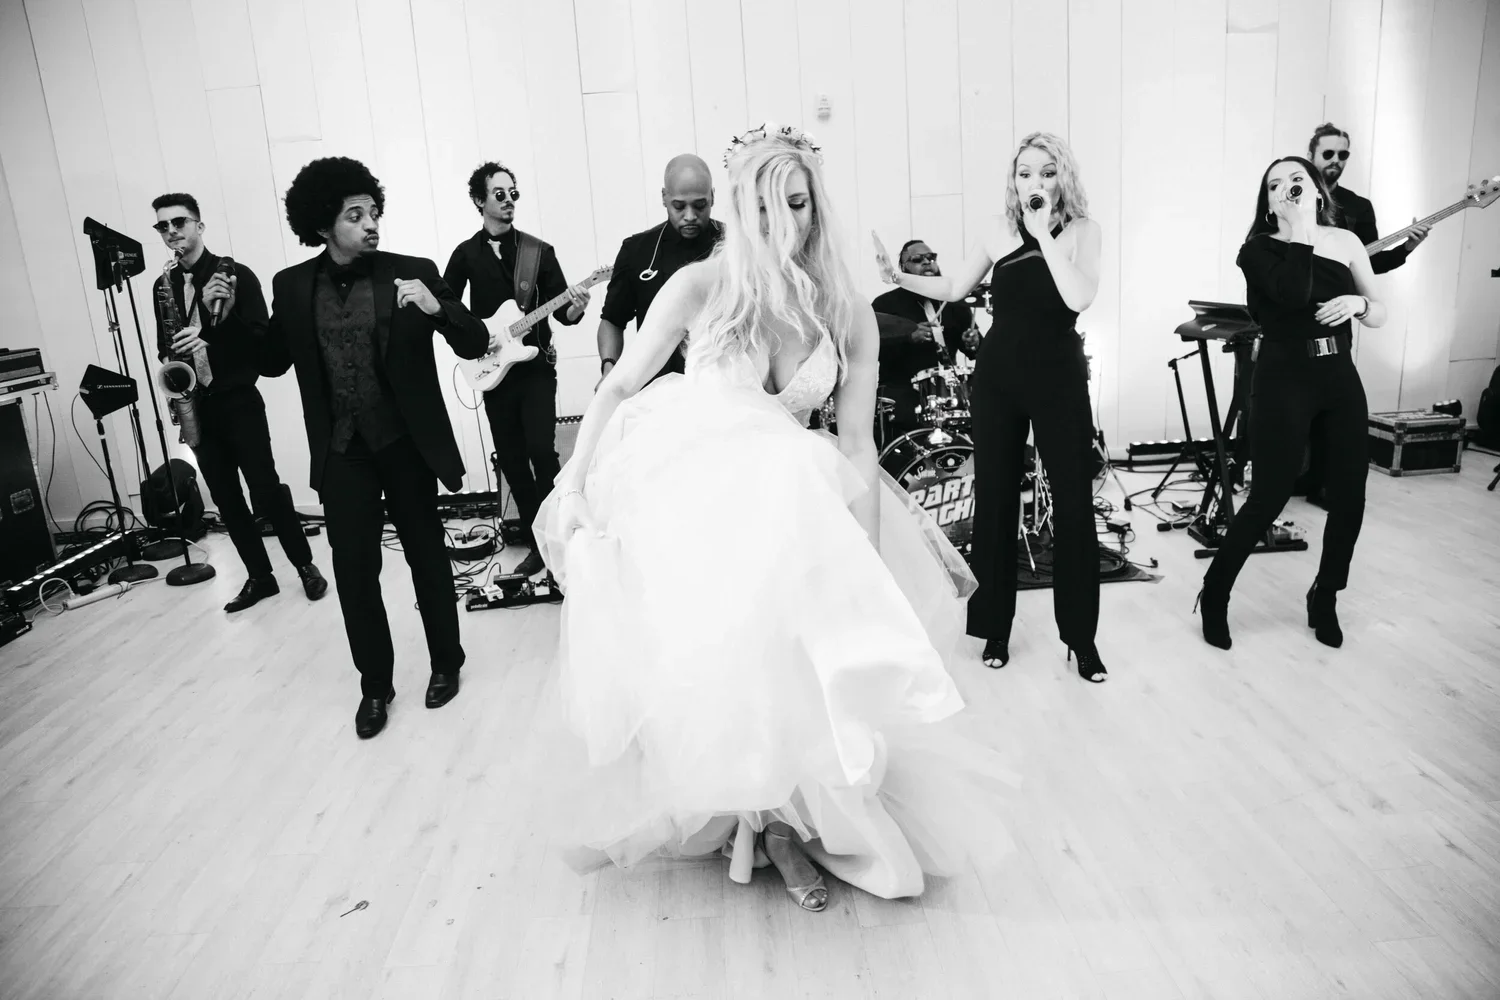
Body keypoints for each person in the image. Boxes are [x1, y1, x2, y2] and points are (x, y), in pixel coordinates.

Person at [532, 124, 1016, 910]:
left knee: (798, 666)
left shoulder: (846, 310)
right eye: (762, 207)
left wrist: (861, 549)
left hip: (794, 505)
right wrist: (575, 479)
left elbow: (856, 442)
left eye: (796, 203)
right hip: (693, 500)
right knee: (723, 668)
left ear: (816, 205)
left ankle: (785, 823)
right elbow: (618, 385)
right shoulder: (701, 285)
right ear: (739, 210)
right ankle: (749, 819)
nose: (782, 222)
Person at [259, 157, 490, 739]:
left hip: (405, 442)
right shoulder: (291, 286)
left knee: (426, 556)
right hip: (343, 452)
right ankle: (375, 684)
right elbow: (271, 361)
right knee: (355, 571)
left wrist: (439, 309)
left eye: (373, 212)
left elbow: (475, 341)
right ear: (322, 225)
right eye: (354, 215)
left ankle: (446, 662)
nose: (370, 225)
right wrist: (223, 323)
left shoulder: (414, 271)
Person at [878, 132, 1105, 682]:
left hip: (1059, 377)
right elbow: (956, 286)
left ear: (1063, 177)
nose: (1034, 182)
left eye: (1046, 172)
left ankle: (1081, 638)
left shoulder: (1082, 232)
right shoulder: (996, 230)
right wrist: (897, 276)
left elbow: (1079, 297)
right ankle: (995, 628)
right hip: (999, 377)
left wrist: (1042, 235)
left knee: (1074, 504)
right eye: (1025, 173)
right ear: (1014, 180)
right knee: (997, 501)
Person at [1196, 156, 1384, 651]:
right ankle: (1215, 592)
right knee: (1270, 495)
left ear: (1318, 189)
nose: (1287, 188)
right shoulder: (1257, 251)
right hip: (1284, 377)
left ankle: (1326, 595)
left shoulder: (1346, 242)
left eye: (1297, 180)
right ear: (1268, 203)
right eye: (1275, 185)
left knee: (1350, 494)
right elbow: (1295, 293)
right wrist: (1301, 230)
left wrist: (1361, 304)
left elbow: (1379, 310)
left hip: (1338, 375)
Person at [149, 193, 327, 613]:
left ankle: (305, 566)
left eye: (179, 222)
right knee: (227, 500)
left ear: (199, 226)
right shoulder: (163, 286)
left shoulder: (236, 275)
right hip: (197, 405)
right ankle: (260, 577)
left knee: (267, 490)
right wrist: (174, 360)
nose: (172, 231)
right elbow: (162, 345)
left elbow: (263, 344)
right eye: (163, 226)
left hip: (238, 400)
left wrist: (211, 339)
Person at [443, 162, 591, 578]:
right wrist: (475, 338)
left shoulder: (538, 252)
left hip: (536, 369)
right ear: (479, 200)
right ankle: (536, 542)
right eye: (499, 194)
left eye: (513, 193)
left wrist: (576, 308)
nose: (509, 201)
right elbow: (445, 309)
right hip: (493, 373)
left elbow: (563, 313)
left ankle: (560, 536)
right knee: (511, 459)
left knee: (542, 452)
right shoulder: (465, 254)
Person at [1297, 123, 1430, 505]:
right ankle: (1295, 478)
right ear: (1311, 154)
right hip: (1292, 312)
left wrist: (1406, 248)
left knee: (1331, 403)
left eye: (1343, 155)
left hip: (1338, 315)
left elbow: (1371, 264)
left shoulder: (1358, 207)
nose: (1335, 161)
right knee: (1292, 403)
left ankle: (1323, 483)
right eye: (1328, 154)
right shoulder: (1292, 199)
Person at [596, 154, 723, 390]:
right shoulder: (636, 251)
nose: (690, 216)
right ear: (664, 197)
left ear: (712, 196)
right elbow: (612, 320)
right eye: (679, 206)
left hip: (723, 388)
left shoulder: (737, 246)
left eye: (700, 205)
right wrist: (609, 368)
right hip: (655, 392)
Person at [871, 238, 980, 437]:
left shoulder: (953, 303)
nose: (927, 262)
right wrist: (908, 338)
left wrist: (974, 343)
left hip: (950, 395)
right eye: (918, 259)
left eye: (931, 258)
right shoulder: (885, 304)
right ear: (903, 267)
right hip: (903, 393)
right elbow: (872, 350)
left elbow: (978, 351)